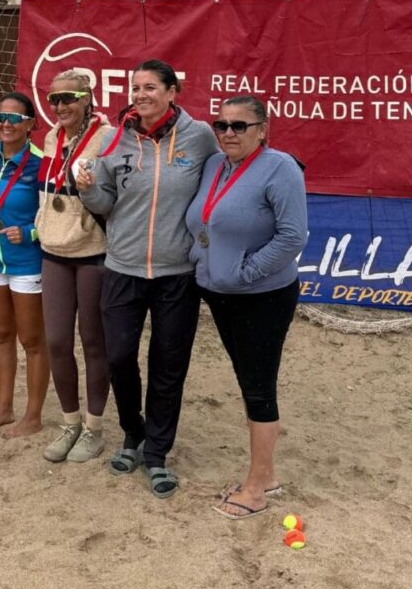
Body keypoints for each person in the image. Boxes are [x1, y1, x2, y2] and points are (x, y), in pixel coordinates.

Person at [76, 59, 217, 497]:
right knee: (118, 356)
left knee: (168, 365)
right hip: (122, 267)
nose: (140, 94)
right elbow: (103, 203)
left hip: (178, 274)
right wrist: (86, 187)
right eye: (136, 87)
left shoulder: (200, 137)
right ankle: (133, 433)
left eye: (151, 87)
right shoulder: (118, 139)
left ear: (173, 92)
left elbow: (220, 183)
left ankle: (156, 453)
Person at [185, 95, 308, 520]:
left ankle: (256, 488)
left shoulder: (281, 168)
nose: (229, 133)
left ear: (263, 130)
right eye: (221, 125)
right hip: (219, 292)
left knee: (258, 386)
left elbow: (293, 237)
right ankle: (266, 473)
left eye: (240, 125)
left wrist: (245, 273)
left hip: (262, 296)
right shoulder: (215, 166)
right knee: (246, 379)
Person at [37, 69, 112, 464]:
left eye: (69, 98)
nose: (61, 106)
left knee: (94, 341)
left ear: (87, 98)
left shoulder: (108, 136)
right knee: (56, 341)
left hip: (93, 250)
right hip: (54, 249)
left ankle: (94, 426)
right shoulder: (52, 136)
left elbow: (115, 194)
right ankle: (69, 423)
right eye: (54, 100)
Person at [0, 92, 48, 437]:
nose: (5, 125)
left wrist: (30, 232)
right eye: (0, 118)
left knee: (32, 341)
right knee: (0, 335)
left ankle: (32, 415)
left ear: (30, 124)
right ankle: (3, 408)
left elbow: (55, 214)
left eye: (13, 119)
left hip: (27, 262)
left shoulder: (41, 163)